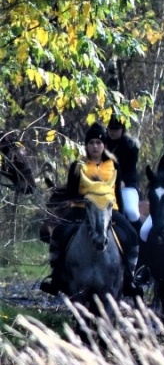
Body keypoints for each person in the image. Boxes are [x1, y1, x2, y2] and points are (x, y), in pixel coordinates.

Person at [39, 124, 140, 294]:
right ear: (86, 145)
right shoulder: (78, 166)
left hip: (109, 210)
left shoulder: (113, 166)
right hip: (81, 209)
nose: (95, 146)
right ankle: (56, 277)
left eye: (99, 143)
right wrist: (86, 198)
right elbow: (71, 192)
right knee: (59, 233)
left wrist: (119, 215)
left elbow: (117, 194)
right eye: (91, 142)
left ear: (104, 145)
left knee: (131, 235)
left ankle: (130, 278)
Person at [104, 116, 141, 220]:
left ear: (123, 128)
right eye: (111, 128)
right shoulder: (101, 143)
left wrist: (123, 181)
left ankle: (137, 234)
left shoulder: (131, 146)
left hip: (126, 185)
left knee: (132, 212)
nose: (113, 132)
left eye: (116, 129)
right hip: (103, 186)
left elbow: (131, 169)